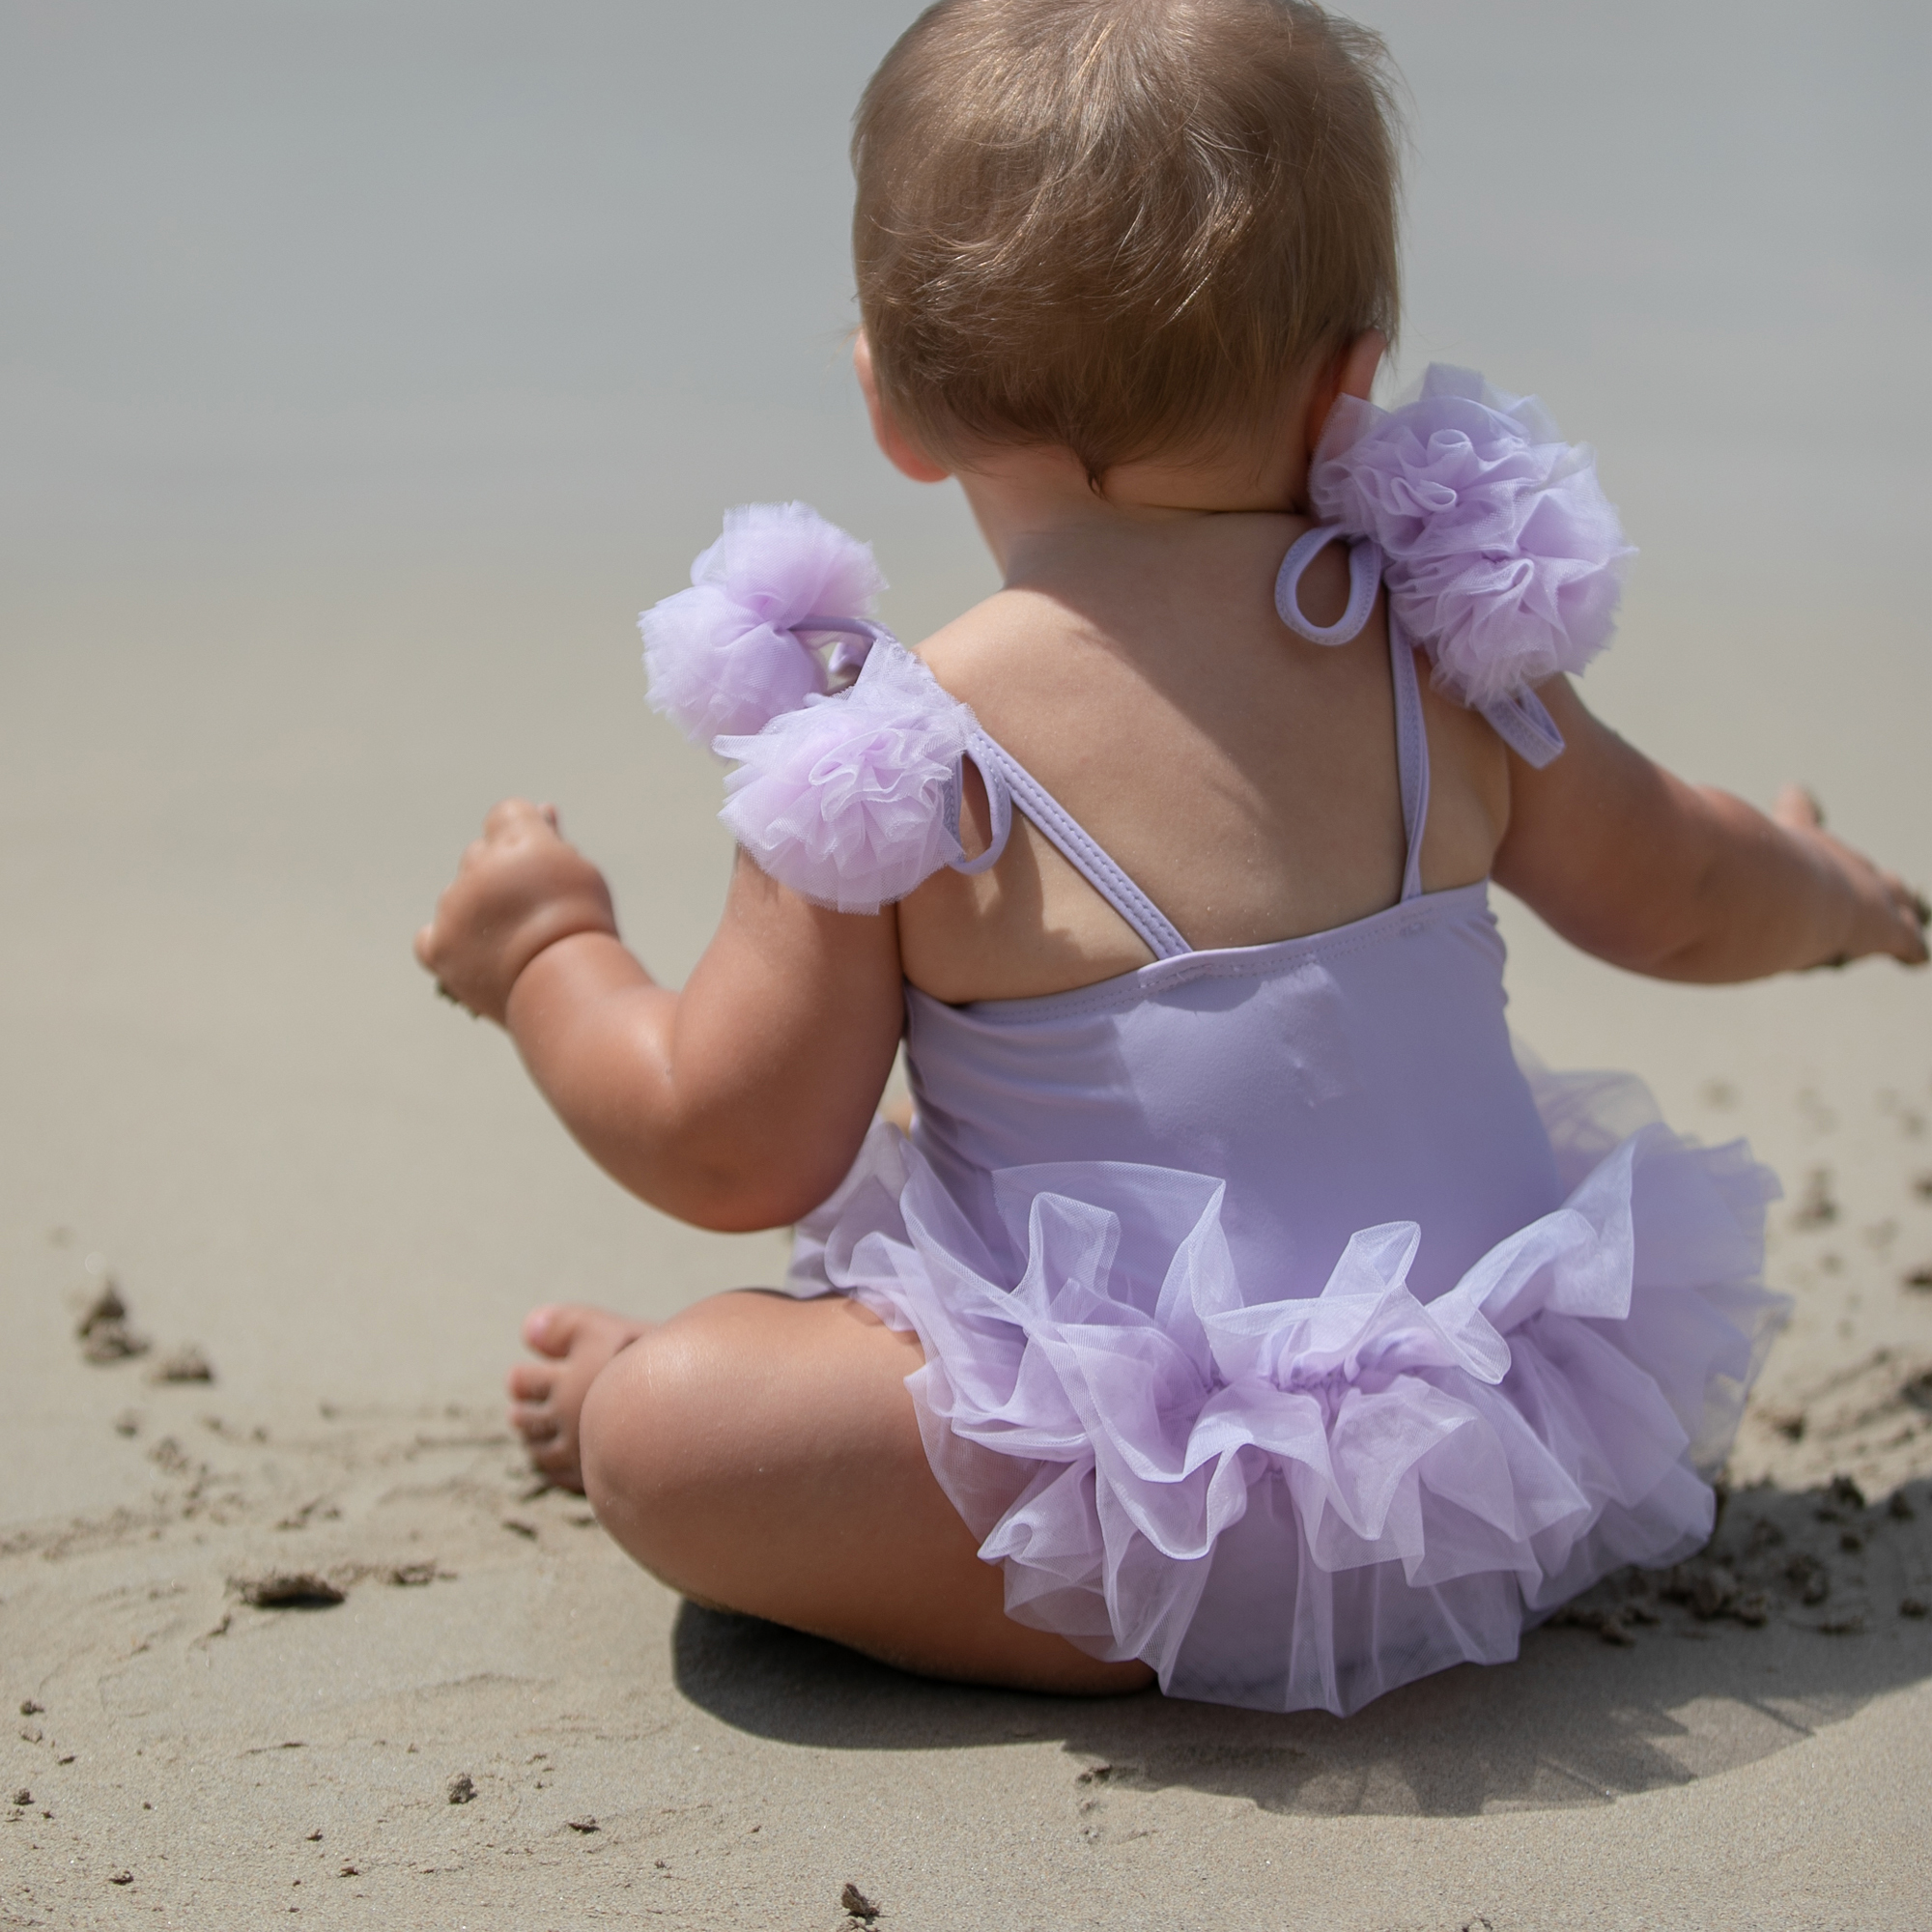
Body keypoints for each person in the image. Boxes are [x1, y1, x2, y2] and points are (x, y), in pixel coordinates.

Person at [414, 0, 1926, 1715]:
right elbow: (1690, 890)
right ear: (1352, 379)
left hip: (1137, 1520)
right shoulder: (1440, 655)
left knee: (668, 1421)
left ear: (889, 401)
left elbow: (727, 1137)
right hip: (1492, 1461)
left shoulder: (900, 745)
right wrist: (1837, 893)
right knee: (942, 1134)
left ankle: (1104, 1594)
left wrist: (547, 951)